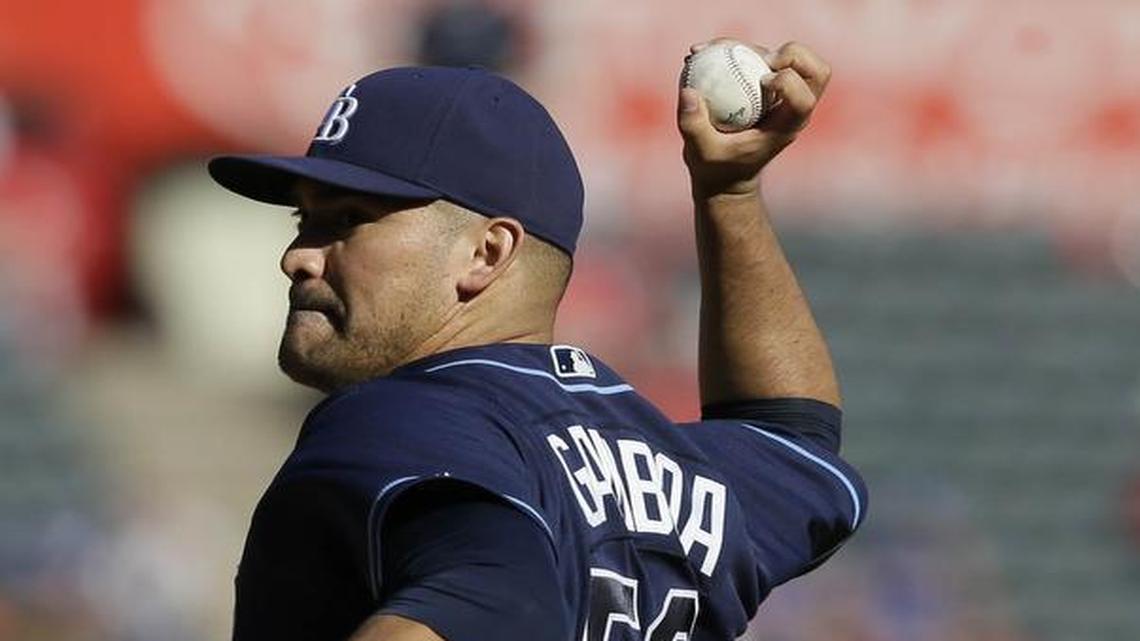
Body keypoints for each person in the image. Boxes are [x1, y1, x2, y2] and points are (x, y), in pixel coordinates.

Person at [208, 38, 866, 641]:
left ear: (486, 252)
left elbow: (492, 599)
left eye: (347, 220)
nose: (299, 255)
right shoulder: (649, 451)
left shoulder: (402, 419)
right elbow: (790, 439)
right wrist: (730, 193)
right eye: (307, 218)